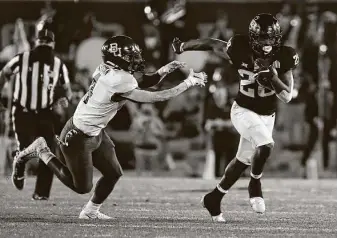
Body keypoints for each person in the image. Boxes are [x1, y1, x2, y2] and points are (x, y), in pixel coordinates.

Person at [11, 35, 207, 219]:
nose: (135, 58)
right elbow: (157, 96)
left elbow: (144, 81)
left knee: (114, 173)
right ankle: (42, 150)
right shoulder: (118, 80)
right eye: (130, 56)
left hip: (94, 130)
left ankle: (90, 211)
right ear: (116, 59)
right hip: (77, 136)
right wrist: (188, 83)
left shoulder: (110, 71)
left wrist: (166, 69)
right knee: (81, 187)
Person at [172, 13, 299, 222]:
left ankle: (214, 198)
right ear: (252, 38)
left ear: (277, 38)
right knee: (266, 145)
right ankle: (255, 184)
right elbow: (212, 44)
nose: (267, 43)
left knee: (242, 160)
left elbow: (286, 96)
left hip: (267, 115)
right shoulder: (239, 48)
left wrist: (272, 77)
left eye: (270, 38)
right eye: (262, 39)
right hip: (243, 110)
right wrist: (184, 46)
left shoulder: (284, 56)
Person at [0, 29, 72, 200]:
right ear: (36, 42)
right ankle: (19, 165)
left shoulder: (58, 64)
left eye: (48, 41)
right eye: (43, 41)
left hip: (45, 113)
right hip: (23, 111)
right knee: (26, 150)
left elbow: (67, 90)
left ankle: (41, 193)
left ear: (52, 44)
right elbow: (4, 74)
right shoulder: (22, 59)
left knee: (49, 153)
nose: (45, 44)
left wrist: (61, 101)